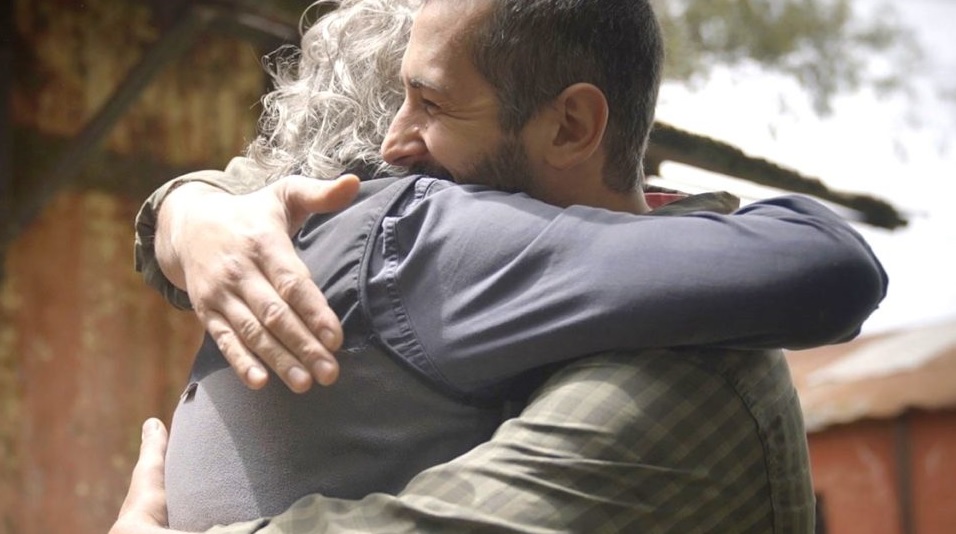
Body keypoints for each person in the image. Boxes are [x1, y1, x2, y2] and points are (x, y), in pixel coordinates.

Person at [120, 0, 887, 531]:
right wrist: (186, 212)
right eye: (398, 100)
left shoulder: (400, 226)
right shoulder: (415, 231)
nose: (395, 145)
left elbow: (828, 265)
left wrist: (184, 212)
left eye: (431, 103)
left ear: (572, 125)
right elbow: (830, 261)